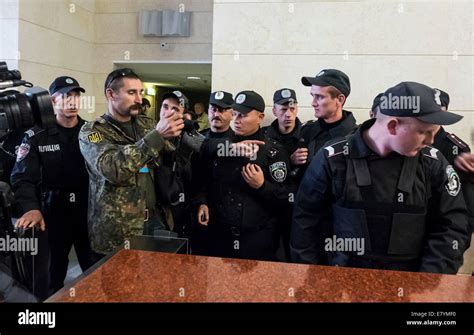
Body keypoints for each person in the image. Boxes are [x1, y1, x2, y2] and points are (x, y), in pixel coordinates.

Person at [291, 81, 471, 274]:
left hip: (414, 286)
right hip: (341, 283)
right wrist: (316, 281)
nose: (431, 140)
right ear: (393, 126)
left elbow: (453, 225)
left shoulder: (433, 163)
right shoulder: (333, 159)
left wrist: (429, 280)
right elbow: (305, 224)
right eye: (423, 132)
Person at [79, 68, 184, 255]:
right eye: (131, 92)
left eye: (140, 92)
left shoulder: (147, 124)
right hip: (119, 230)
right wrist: (156, 136)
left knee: (154, 281)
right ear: (111, 94)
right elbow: (113, 169)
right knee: (120, 283)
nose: (139, 99)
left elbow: (173, 153)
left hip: (155, 219)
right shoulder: (92, 132)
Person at [11, 76, 96, 295]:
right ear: (53, 102)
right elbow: (22, 177)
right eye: (66, 96)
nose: (72, 101)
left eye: (76, 96)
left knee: (96, 273)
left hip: (88, 213)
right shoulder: (36, 136)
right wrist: (31, 208)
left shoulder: (92, 133)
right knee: (52, 276)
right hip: (53, 214)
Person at [197, 90, 296, 261]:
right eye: (234, 114)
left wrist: (262, 186)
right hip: (219, 236)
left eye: (242, 115)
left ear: (260, 117)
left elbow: (288, 199)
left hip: (256, 241)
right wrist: (202, 202)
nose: (236, 120)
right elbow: (204, 178)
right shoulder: (223, 146)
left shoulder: (274, 152)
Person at [430, 89, 474, 275]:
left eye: (440, 109)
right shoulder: (406, 143)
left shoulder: (456, 149)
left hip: (443, 233)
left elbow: (465, 206)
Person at [293, 69, 357, 181]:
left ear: (340, 100)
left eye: (320, 97)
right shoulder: (306, 131)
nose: (313, 103)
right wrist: (292, 161)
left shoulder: (356, 137)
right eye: (313, 96)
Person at [262, 88, 302, 261]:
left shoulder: (307, 135)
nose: (288, 114)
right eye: (283, 109)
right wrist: (288, 161)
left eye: (292, 109)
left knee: (293, 256)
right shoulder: (263, 135)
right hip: (267, 207)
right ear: (274, 110)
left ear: (297, 109)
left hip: (296, 209)